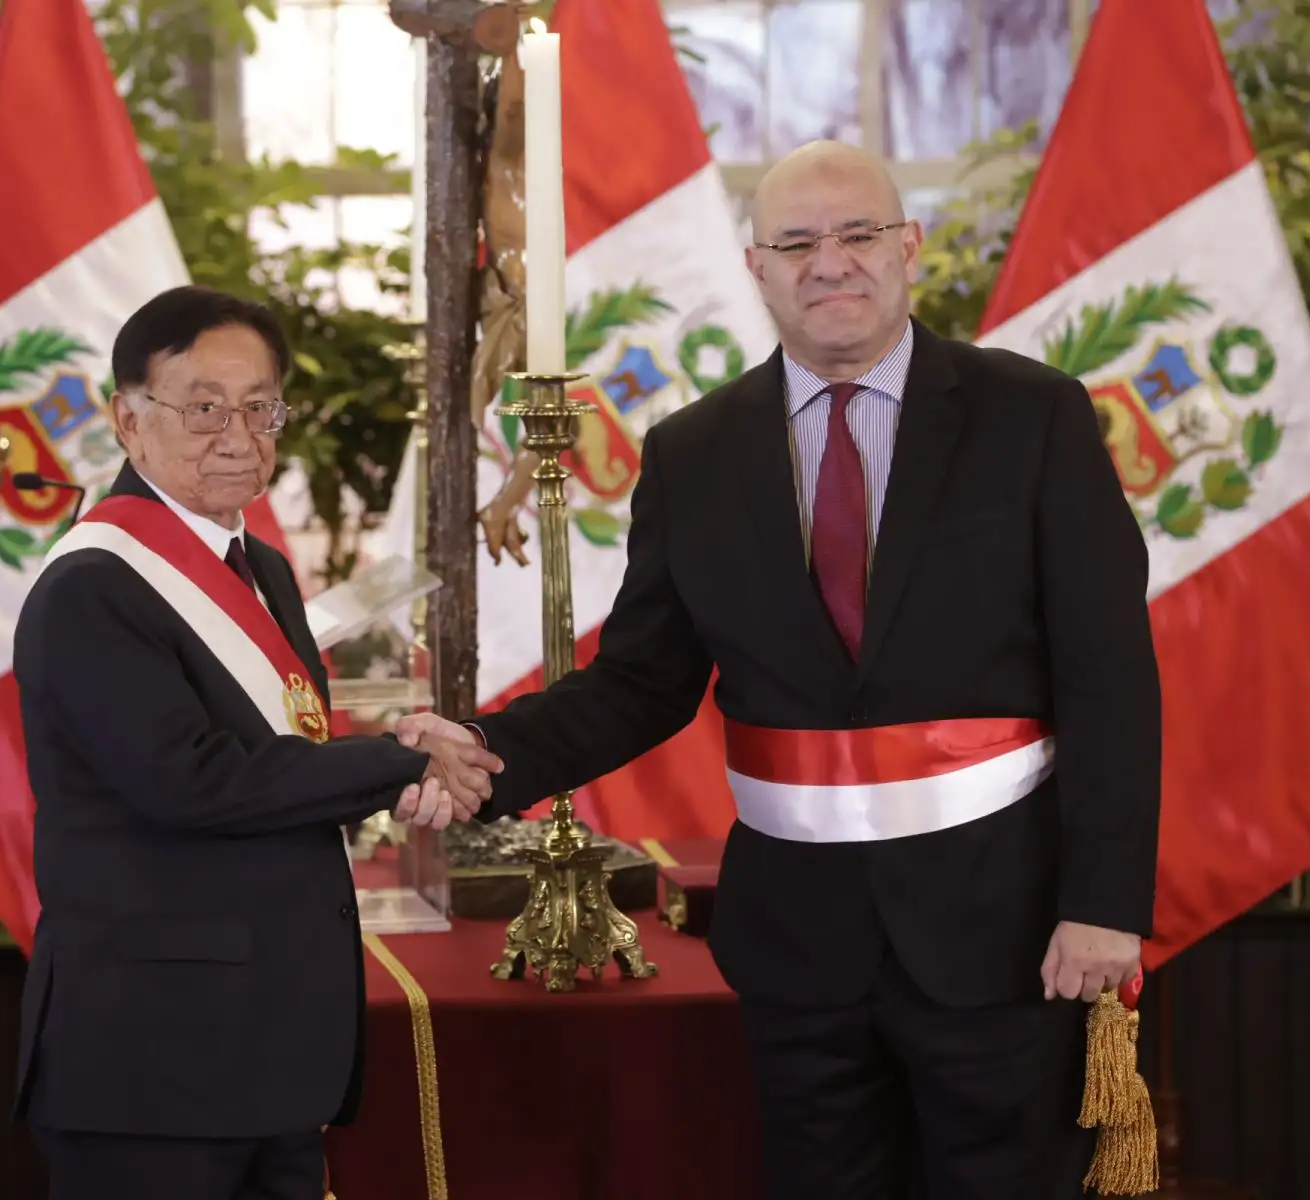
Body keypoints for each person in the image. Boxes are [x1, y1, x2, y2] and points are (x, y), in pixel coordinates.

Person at [400, 140, 1162, 1198]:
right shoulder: (693, 453)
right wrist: (490, 752)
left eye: (856, 236)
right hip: (799, 948)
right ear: (757, 267)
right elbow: (643, 680)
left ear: (909, 249)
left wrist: (1106, 902)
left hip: (1007, 930)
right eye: (796, 242)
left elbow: (1110, 680)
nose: (829, 263)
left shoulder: (1034, 418)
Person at [11, 285, 501, 1200]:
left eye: (259, 406)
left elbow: (274, 748)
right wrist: (393, 766)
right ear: (127, 419)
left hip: (264, 1050)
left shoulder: (262, 568)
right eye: (202, 408)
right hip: (152, 1067)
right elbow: (190, 783)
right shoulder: (93, 587)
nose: (237, 435)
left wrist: (393, 748)